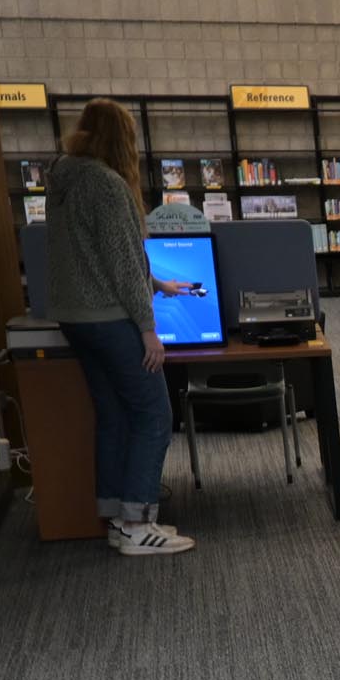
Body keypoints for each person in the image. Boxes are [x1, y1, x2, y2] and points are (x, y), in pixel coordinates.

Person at [46, 97, 202, 557]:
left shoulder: (64, 178)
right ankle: (138, 523)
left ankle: (117, 518)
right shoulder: (107, 184)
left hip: (76, 319)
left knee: (114, 416)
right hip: (111, 318)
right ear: (124, 139)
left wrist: (156, 282)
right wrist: (148, 329)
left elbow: (96, 255)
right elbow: (120, 260)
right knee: (155, 415)